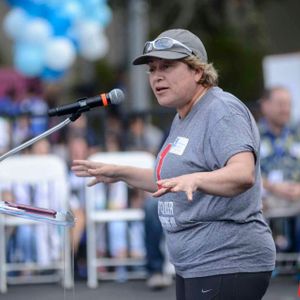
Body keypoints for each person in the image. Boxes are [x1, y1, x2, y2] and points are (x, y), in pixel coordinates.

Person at [72, 29, 275, 300]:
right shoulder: (184, 116)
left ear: (197, 71)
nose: (156, 76)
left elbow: (242, 173)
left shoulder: (222, 111)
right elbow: (169, 181)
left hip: (227, 261)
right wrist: (119, 172)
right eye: (153, 69)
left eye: (167, 66)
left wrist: (197, 179)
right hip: (194, 264)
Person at [258, 86, 300, 253]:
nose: (286, 109)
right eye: (281, 104)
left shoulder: (297, 130)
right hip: (266, 197)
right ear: (265, 105)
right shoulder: (251, 133)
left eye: (289, 104)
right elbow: (241, 171)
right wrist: (271, 186)